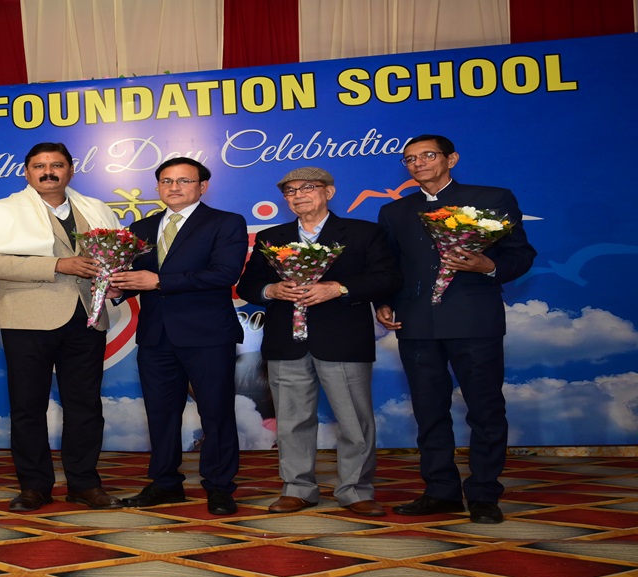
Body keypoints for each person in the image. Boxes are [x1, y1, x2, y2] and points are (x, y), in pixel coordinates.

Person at [375, 135, 536, 524]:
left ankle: (484, 493)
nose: (418, 163)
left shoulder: (492, 198)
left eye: (428, 155)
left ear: (451, 159)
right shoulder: (394, 211)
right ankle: (440, 490)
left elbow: (521, 254)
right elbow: (389, 266)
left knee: (484, 409)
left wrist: (489, 267)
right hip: (415, 323)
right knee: (428, 411)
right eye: (409, 159)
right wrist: (383, 301)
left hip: (474, 319)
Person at [236, 166, 401, 517]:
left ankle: (356, 490)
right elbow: (248, 285)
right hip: (285, 341)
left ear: (329, 191)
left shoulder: (363, 233)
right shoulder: (271, 237)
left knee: (354, 421)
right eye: (290, 191)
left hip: (343, 339)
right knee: (291, 420)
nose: (298, 195)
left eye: (307, 187)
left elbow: (387, 278)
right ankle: (297, 488)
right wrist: (271, 290)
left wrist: (338, 288)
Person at [0, 142, 123, 512]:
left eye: (56, 165)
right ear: (26, 172)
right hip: (26, 318)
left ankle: (84, 484)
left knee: (85, 405)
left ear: (71, 170)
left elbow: (114, 257)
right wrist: (57, 265)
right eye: (39, 166)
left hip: (87, 317)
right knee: (28, 406)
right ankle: (34, 486)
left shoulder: (97, 208)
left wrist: (115, 281)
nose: (48, 172)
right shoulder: (4, 209)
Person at [109, 157, 248, 515]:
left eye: (184, 181)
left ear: (203, 187)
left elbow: (225, 273)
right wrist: (118, 290)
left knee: (216, 412)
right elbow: (136, 276)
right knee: (160, 414)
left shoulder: (225, 222)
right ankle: (165, 484)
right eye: (167, 181)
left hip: (208, 334)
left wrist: (159, 281)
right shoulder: (141, 227)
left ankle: (219, 486)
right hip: (155, 335)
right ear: (158, 187)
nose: (174, 187)